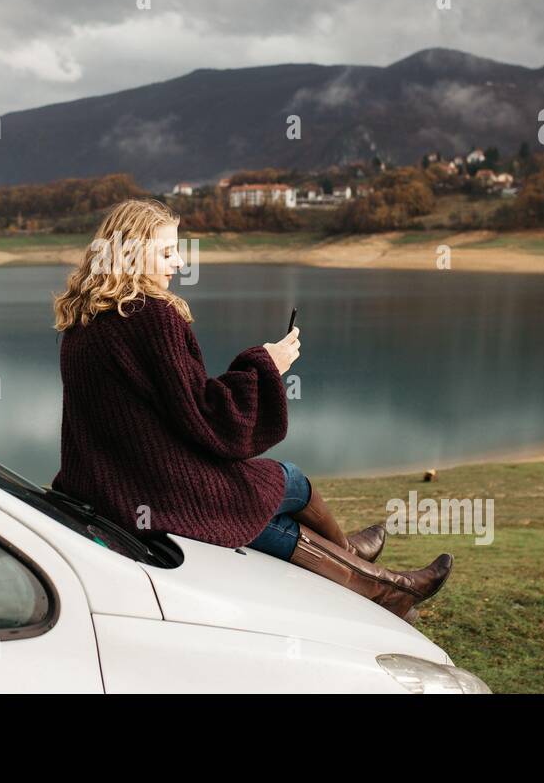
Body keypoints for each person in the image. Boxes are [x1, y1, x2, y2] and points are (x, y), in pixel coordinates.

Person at [50, 197, 452, 621]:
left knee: (271, 494)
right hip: (156, 491)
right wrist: (264, 365)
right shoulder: (151, 316)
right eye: (167, 251)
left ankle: (364, 566)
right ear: (131, 252)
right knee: (283, 488)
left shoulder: (83, 321)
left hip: (110, 486)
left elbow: (171, 408)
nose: (180, 261)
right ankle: (384, 585)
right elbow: (207, 418)